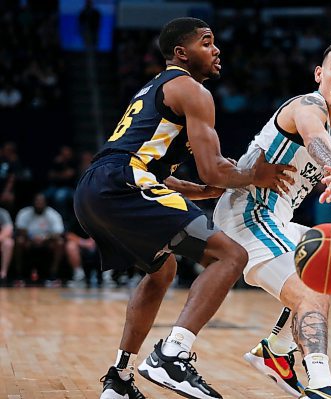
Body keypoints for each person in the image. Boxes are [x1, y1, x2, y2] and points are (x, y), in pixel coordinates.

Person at [73, 18, 293, 399]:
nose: (216, 49)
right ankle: (172, 355)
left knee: (162, 270)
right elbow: (215, 168)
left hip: (97, 188)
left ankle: (120, 378)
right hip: (122, 183)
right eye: (207, 43)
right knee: (229, 256)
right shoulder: (191, 90)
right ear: (181, 53)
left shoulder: (153, 88)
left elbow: (160, 173)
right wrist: (254, 174)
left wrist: (206, 190)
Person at [213, 42, 331, 399]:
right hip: (249, 212)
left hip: (276, 218)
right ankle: (319, 384)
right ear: (319, 74)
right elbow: (314, 137)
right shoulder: (305, 106)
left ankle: (276, 350)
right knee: (312, 292)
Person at [14, 193, 65, 286]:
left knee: (60, 242)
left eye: (41, 202)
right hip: (29, 241)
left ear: (45, 203)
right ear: (33, 202)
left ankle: (53, 274)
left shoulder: (53, 214)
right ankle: (19, 274)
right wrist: (32, 238)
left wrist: (44, 238)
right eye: (37, 201)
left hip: (47, 242)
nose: (39, 203)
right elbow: (20, 230)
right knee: (19, 241)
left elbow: (59, 232)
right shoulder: (24, 213)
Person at [0, 206, 14, 285]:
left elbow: (8, 229)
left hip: (1, 240)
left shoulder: (2, 212)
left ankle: (3, 274)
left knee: (8, 243)